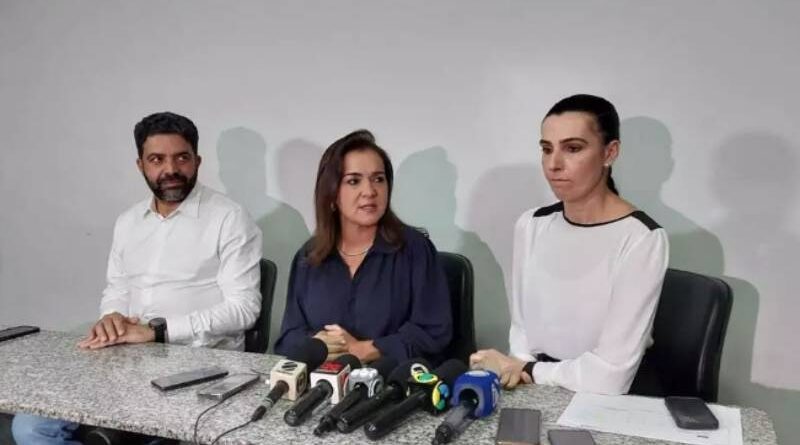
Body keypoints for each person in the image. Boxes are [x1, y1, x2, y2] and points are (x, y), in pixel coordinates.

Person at [12, 112, 262, 444]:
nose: (170, 170)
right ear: (140, 165)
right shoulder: (128, 221)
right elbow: (117, 287)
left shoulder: (229, 218)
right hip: (126, 359)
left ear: (197, 161)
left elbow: (244, 309)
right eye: (157, 159)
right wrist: (111, 317)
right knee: (30, 427)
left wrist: (158, 331)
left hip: (199, 363)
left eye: (181, 158)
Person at [470, 94, 669, 394]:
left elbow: (611, 376)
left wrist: (527, 369)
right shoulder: (531, 224)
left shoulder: (642, 238)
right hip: (536, 384)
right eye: (546, 149)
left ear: (610, 152)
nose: (554, 164)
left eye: (573, 148)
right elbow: (522, 331)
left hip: (610, 399)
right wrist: (517, 369)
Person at [274, 129, 452, 364]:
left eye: (378, 179)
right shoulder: (309, 257)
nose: (369, 191)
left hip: (393, 381)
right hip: (323, 379)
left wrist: (365, 349)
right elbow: (288, 337)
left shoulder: (415, 250)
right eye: (354, 181)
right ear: (332, 193)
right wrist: (320, 344)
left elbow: (433, 331)